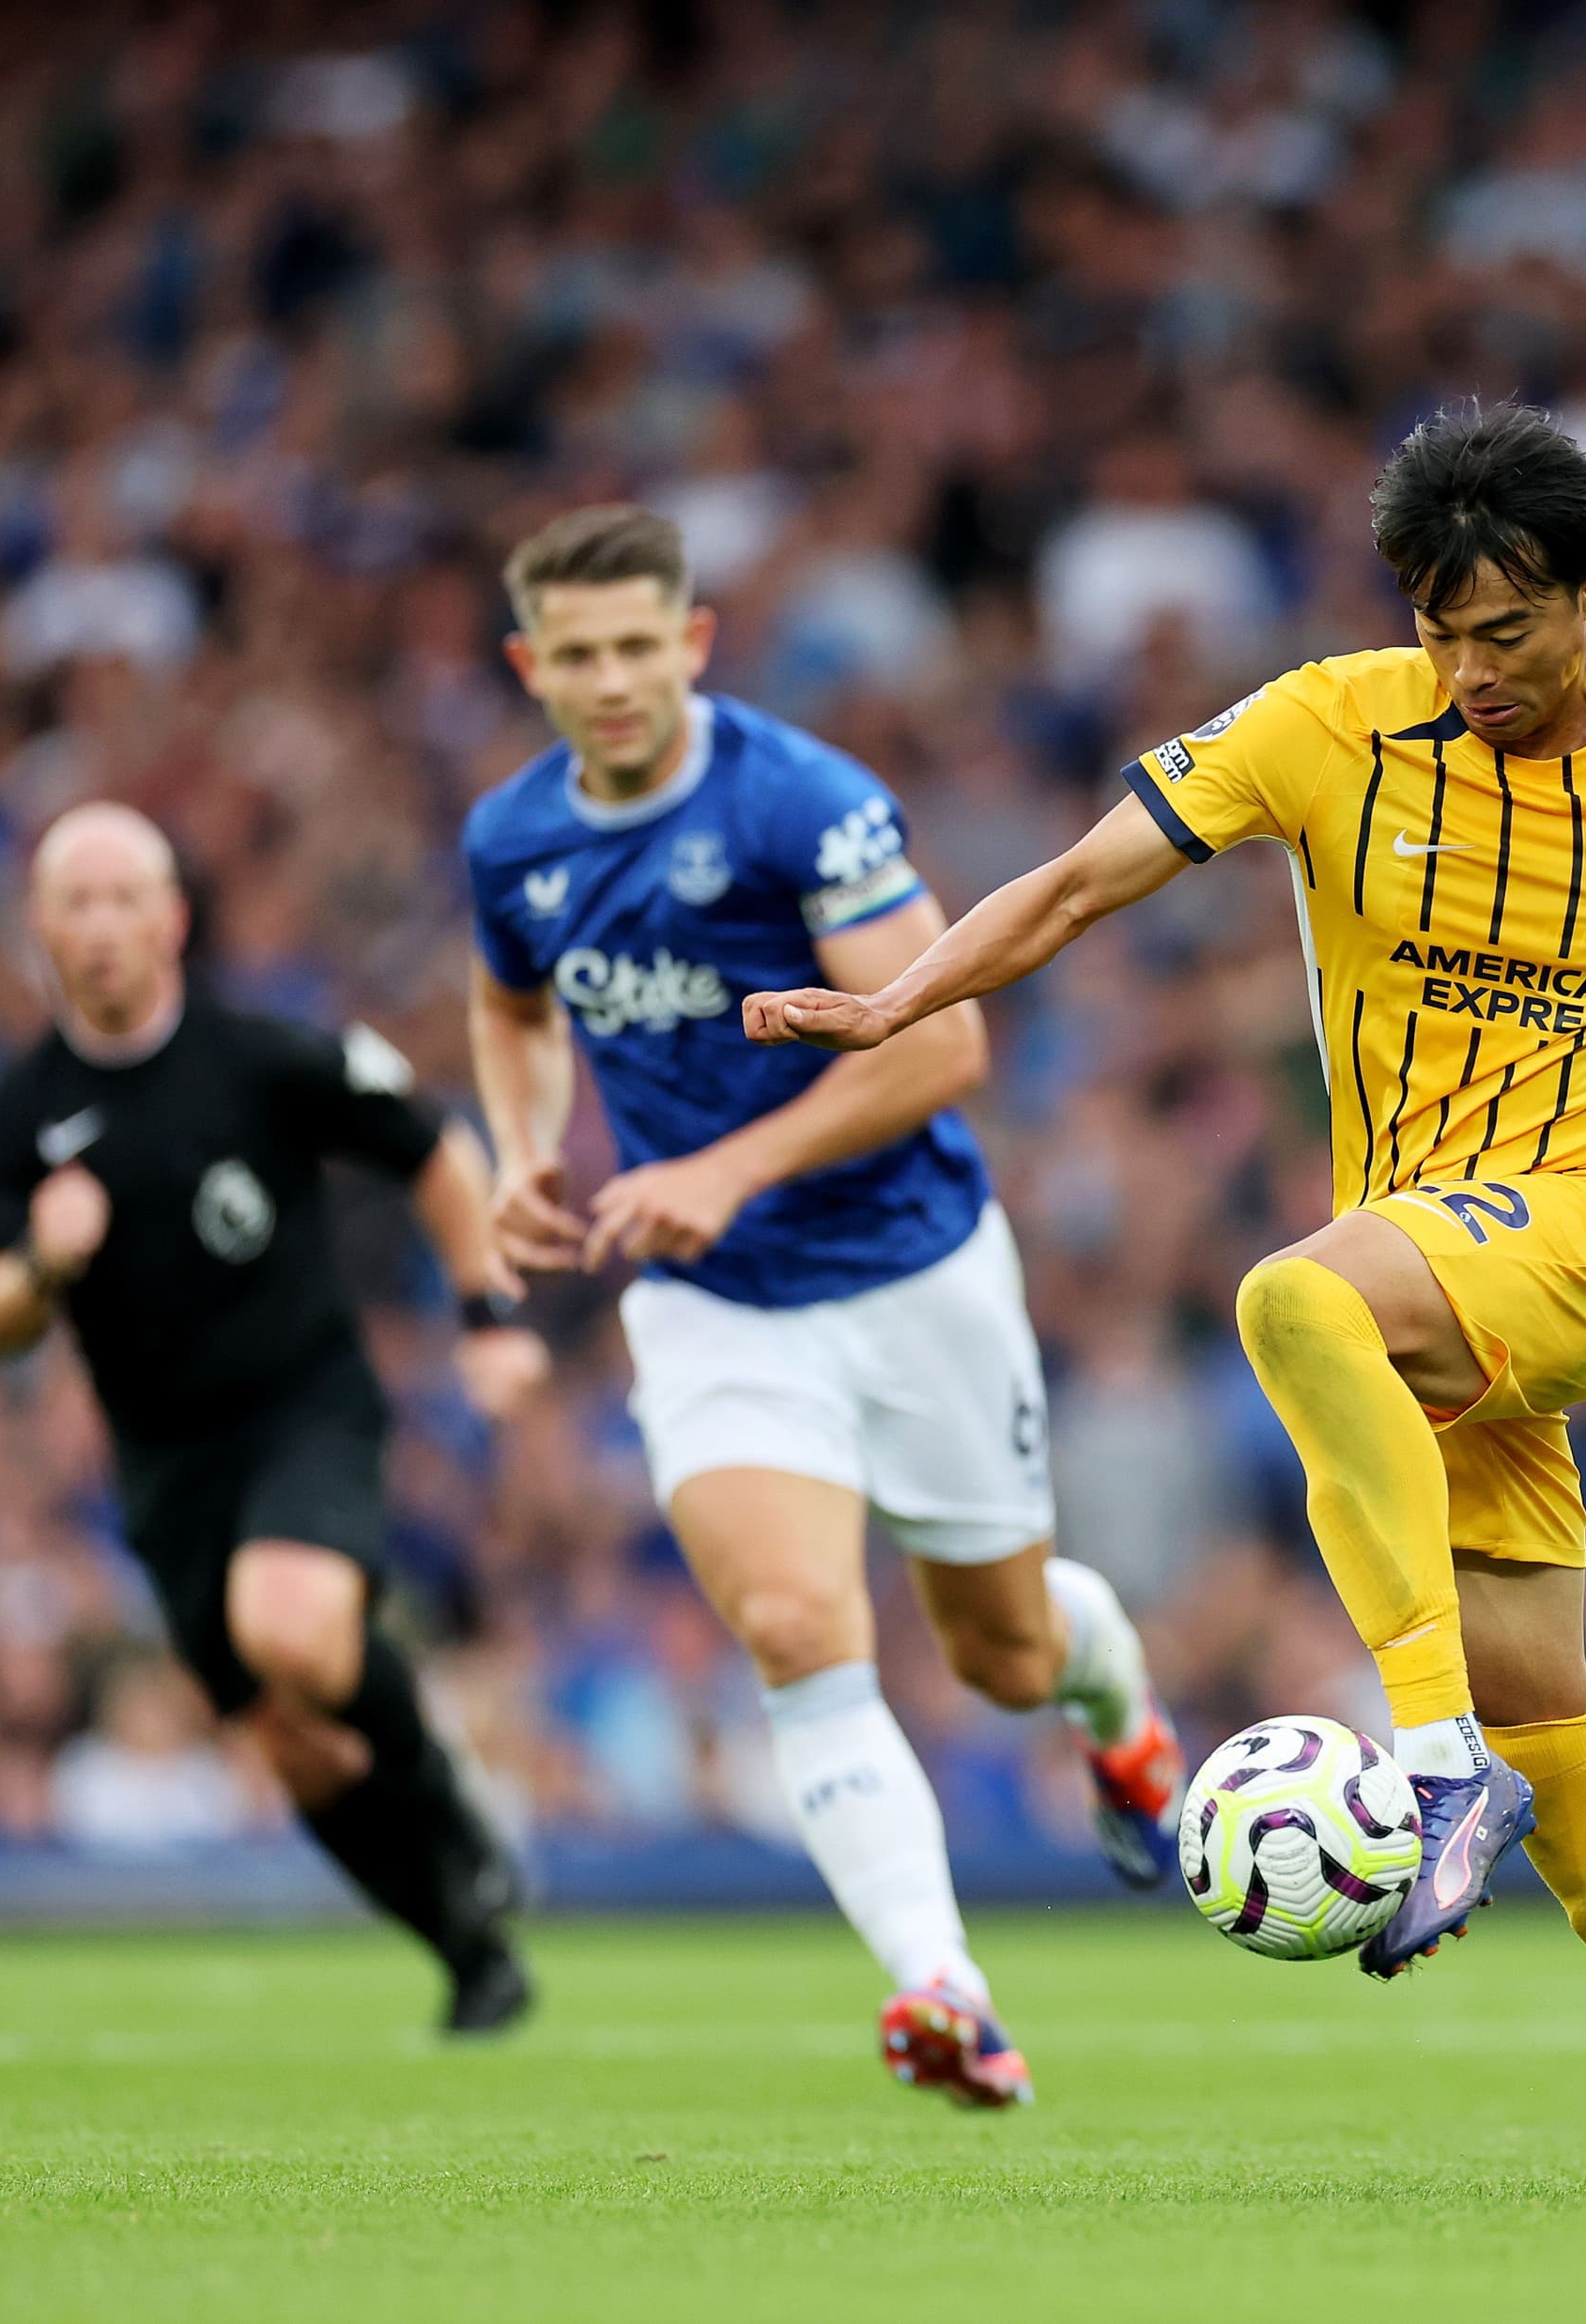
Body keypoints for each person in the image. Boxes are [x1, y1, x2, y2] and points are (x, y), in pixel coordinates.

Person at [743, 405, 1586, 2193]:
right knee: (1553, 1736)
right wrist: (897, 1004)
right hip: (1436, 1287)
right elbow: (1076, 885)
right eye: (1441, 628)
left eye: (1508, 630)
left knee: (1289, 1301)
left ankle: (1433, 1767)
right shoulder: (1324, 726)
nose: (1471, 668)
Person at [462, 504, 1181, 2112]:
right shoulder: (511, 839)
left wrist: (726, 1166)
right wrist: (520, 1150)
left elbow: (945, 1044)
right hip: (715, 1306)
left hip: (912, 1270)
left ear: (693, 643)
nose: (613, 681)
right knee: (796, 1625)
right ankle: (947, 1992)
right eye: (578, 656)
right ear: (531, 667)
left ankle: (1120, 1713)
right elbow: (508, 1009)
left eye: (638, 647)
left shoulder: (801, 801)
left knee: (1005, 1657)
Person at [0, 803, 545, 2030]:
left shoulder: (260, 1056)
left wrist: (486, 1316)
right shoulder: (20, 1112)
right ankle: (466, 1945)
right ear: (41, 928)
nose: (101, 927)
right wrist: (45, 1263)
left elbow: (435, 1151)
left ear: (171, 919)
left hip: (302, 1407)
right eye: (76, 903)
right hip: (166, 1466)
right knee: (291, 1742)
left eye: (124, 899)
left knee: (293, 1631)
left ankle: (447, 1806)